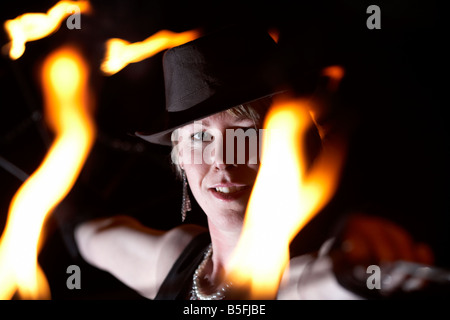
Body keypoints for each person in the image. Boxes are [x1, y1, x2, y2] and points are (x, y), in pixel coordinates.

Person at [74, 25, 436, 300]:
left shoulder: (298, 281)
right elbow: (86, 228)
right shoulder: (171, 260)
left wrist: (360, 270)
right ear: (180, 155)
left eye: (245, 133)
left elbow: (331, 282)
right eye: (200, 137)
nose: (223, 161)